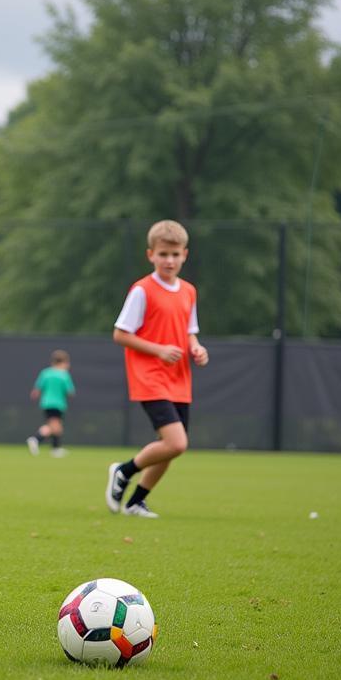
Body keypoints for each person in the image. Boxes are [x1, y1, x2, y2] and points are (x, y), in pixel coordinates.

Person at [105, 220, 209, 518]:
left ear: (185, 255)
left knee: (172, 446)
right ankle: (124, 471)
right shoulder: (142, 290)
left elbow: (190, 332)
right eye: (163, 254)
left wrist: (196, 348)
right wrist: (159, 350)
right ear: (151, 254)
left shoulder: (188, 291)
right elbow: (121, 334)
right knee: (177, 443)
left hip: (179, 378)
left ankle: (137, 500)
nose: (170, 260)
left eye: (175, 254)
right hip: (149, 377)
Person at [26, 349, 75, 457]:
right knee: (53, 426)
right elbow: (70, 392)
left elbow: (36, 390)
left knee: (57, 427)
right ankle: (36, 439)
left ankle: (55, 449)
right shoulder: (64, 375)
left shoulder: (46, 373)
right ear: (63, 362)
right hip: (57, 403)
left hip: (46, 403)